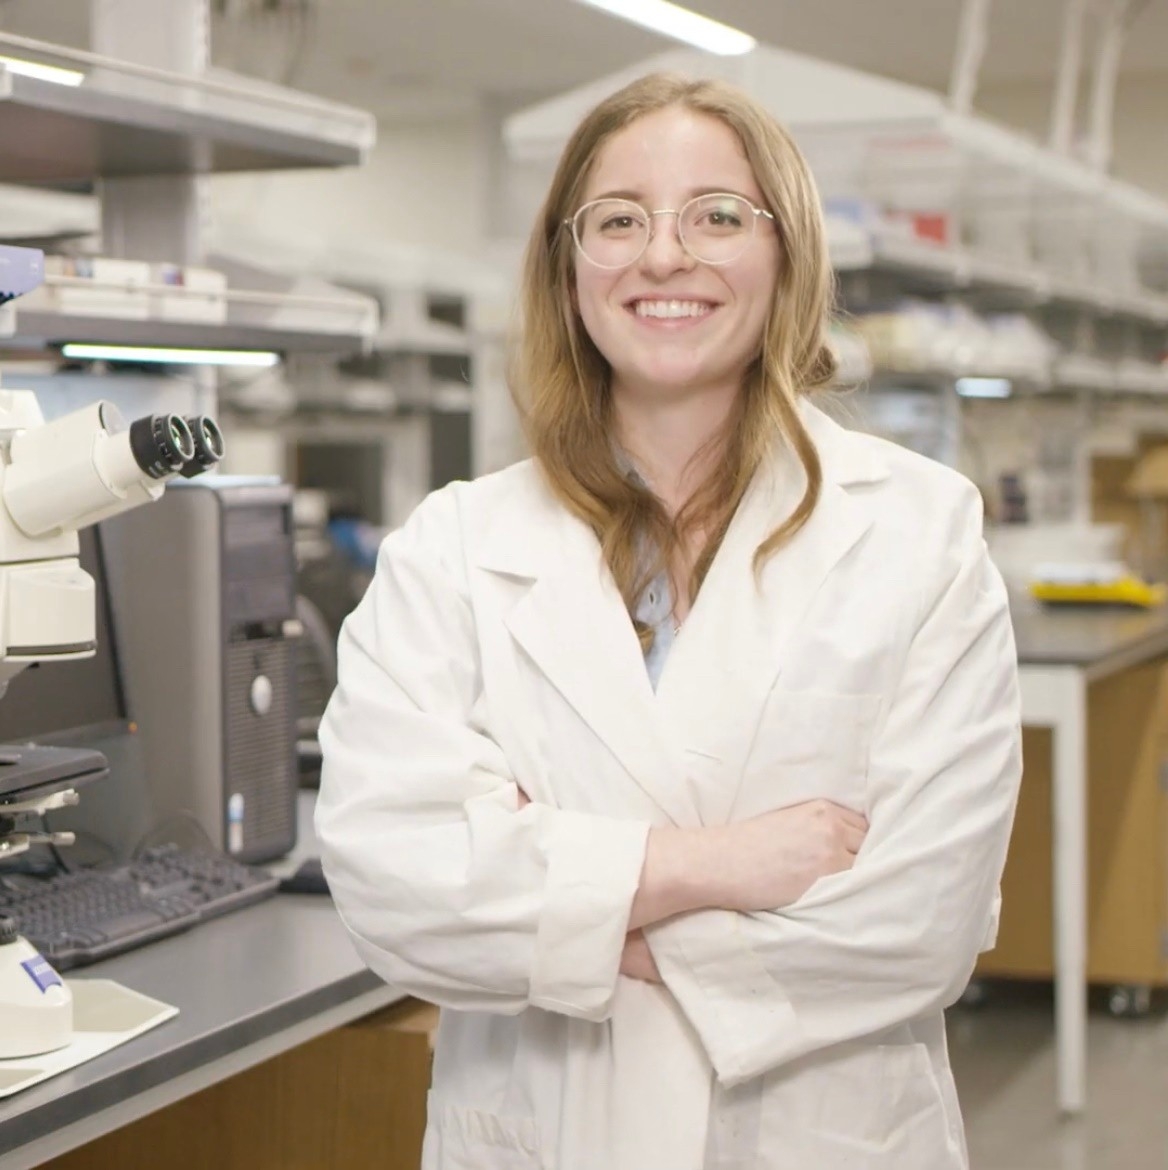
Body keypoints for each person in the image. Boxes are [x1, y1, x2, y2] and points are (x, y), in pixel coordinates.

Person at [316, 71, 1022, 1170]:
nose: (663, 255)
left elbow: (921, 919)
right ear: (567, 267)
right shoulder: (450, 551)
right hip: (541, 1133)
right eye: (618, 220)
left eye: (717, 216)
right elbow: (395, 884)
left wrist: (570, 904)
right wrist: (722, 863)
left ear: (786, 254)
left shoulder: (918, 534)